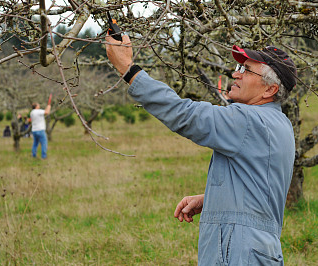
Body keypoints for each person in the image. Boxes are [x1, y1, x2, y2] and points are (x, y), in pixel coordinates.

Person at [106, 34, 297, 265]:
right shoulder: (280, 123)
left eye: (246, 70)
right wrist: (213, 198)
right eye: (238, 67)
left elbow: (184, 114)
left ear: (270, 90)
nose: (235, 74)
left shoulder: (248, 120)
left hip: (238, 251)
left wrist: (128, 69)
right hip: (258, 250)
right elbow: (261, 184)